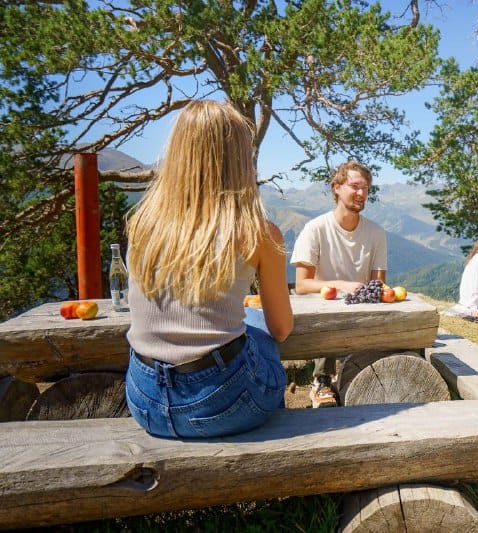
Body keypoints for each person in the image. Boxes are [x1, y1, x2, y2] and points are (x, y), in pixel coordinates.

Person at [124, 100, 293, 439]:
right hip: (221, 402)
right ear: (240, 158)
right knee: (261, 331)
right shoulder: (257, 232)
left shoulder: (142, 225)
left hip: (144, 399)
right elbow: (283, 328)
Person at [290, 161, 387, 408]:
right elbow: (301, 285)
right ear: (336, 188)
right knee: (329, 316)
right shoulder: (315, 229)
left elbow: (378, 286)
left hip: (361, 310)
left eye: (365, 188)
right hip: (325, 314)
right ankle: (321, 380)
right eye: (354, 186)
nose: (361, 193)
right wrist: (341, 285)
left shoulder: (376, 233)